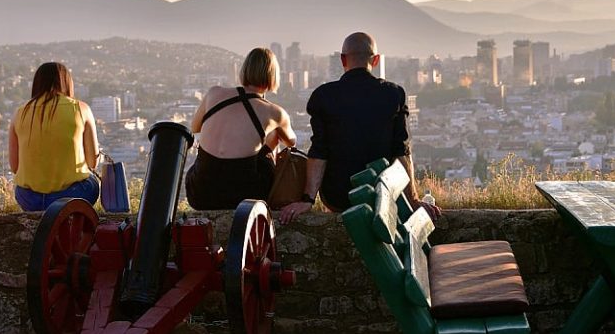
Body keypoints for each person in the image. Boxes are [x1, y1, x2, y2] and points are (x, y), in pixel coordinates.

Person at [279, 32, 441, 224]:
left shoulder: (323, 96)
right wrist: (412, 199)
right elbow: (402, 150)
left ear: (342, 60)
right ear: (376, 60)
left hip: (338, 197)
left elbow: (319, 151)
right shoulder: (393, 94)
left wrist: (307, 200)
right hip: (381, 194)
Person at [185, 47, 296, 210]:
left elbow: (195, 127)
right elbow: (291, 143)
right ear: (273, 76)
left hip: (200, 193)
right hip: (243, 197)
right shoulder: (275, 113)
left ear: (244, 70)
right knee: (273, 135)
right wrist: (269, 137)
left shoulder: (214, 93)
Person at [9, 62, 100, 211]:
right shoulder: (81, 109)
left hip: (30, 199)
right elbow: (92, 162)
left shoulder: (20, 113)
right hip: (72, 196)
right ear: (67, 83)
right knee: (92, 182)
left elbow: (14, 166)